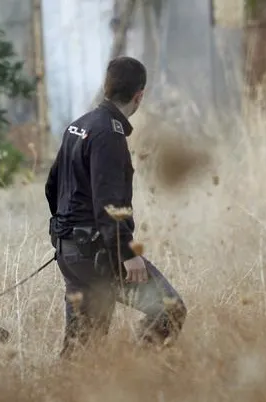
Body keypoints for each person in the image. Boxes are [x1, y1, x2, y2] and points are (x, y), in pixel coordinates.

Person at [44, 56, 187, 357]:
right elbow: (108, 201)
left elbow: (52, 185)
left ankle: (61, 398)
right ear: (139, 95)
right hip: (98, 254)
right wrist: (127, 253)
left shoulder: (77, 126)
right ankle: (134, 377)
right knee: (170, 309)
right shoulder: (109, 134)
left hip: (70, 250)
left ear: (107, 88)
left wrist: (67, 234)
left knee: (83, 348)